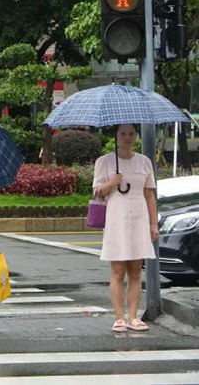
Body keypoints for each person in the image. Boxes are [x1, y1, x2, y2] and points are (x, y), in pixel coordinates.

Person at [92, 123, 158, 333]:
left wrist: (153, 223)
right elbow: (97, 192)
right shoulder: (105, 161)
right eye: (123, 134)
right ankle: (119, 317)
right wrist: (111, 183)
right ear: (116, 136)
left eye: (131, 133)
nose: (127, 137)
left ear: (136, 136)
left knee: (136, 271)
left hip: (139, 218)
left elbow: (149, 194)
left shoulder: (144, 161)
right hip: (116, 219)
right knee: (118, 271)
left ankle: (133, 317)